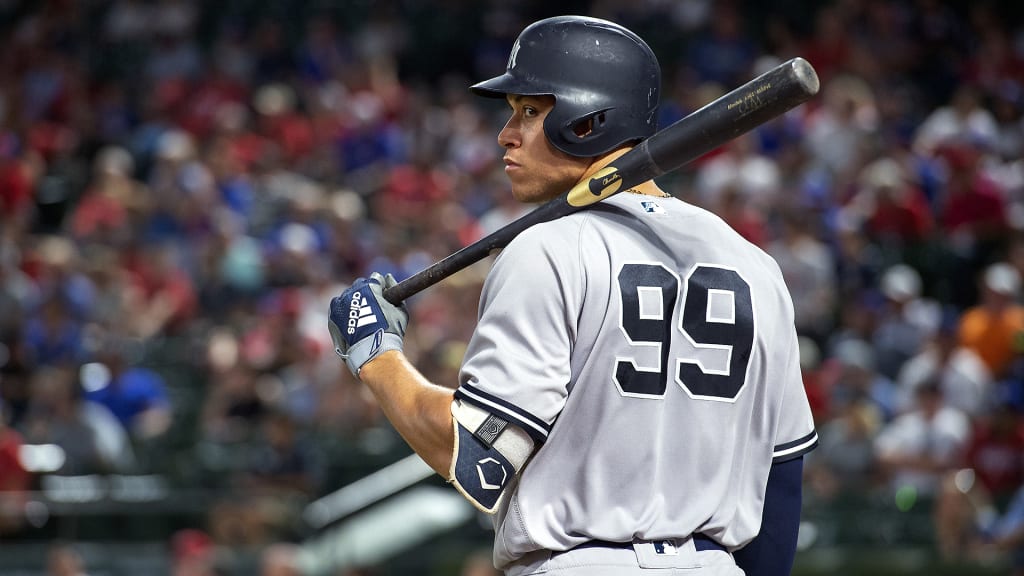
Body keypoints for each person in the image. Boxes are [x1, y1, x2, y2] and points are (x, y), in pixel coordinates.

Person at [328, 15, 818, 576]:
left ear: (589, 119)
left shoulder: (549, 247)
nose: (505, 134)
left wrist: (377, 357)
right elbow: (779, 484)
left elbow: (477, 460)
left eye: (530, 112)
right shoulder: (755, 265)